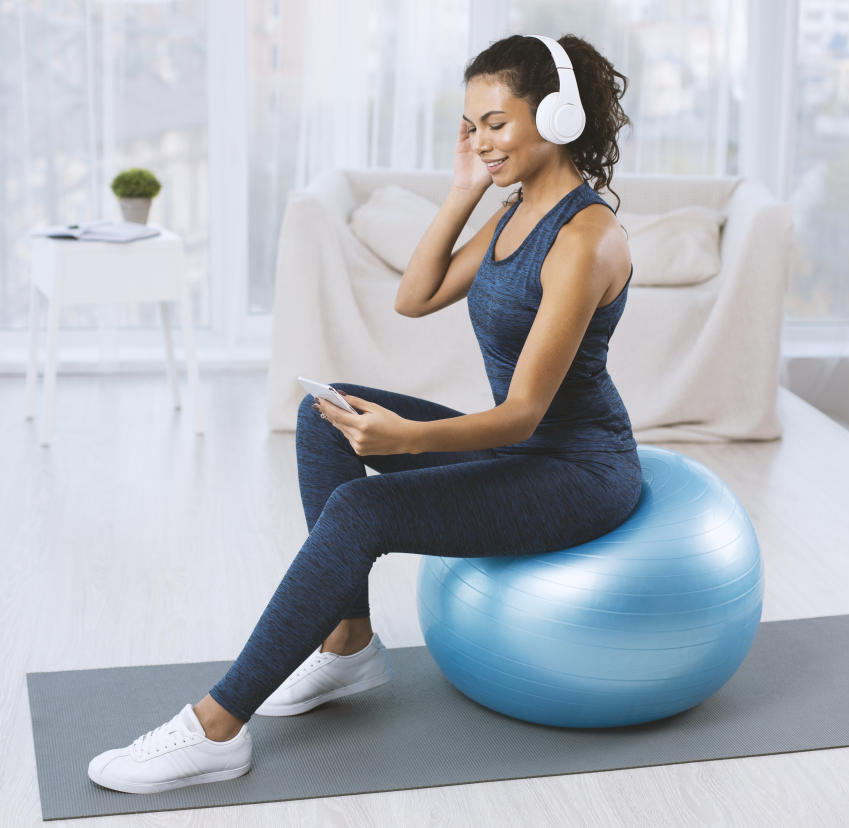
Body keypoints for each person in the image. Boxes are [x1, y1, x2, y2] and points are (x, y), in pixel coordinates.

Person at [87, 33, 641, 795]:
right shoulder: (516, 211)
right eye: (471, 125)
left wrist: (409, 438)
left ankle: (216, 727)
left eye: (496, 123)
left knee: (360, 511)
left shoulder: (585, 237)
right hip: (521, 455)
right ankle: (347, 647)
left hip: (577, 472)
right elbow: (414, 297)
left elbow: (521, 414)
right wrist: (461, 190)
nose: (480, 142)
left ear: (556, 117)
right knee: (326, 412)